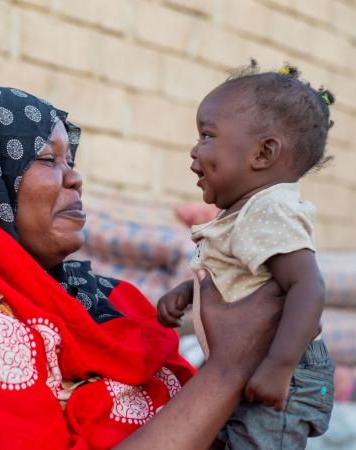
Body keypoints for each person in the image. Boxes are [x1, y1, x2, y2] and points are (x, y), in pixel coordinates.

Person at [0, 86, 284, 450]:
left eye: (70, 160)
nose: (75, 177)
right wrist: (227, 371)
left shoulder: (95, 301)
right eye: (46, 159)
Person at [157, 61, 335, 449]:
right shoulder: (244, 212)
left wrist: (279, 366)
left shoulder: (271, 208)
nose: (194, 150)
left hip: (285, 370)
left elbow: (307, 287)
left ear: (263, 153)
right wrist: (189, 292)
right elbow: (246, 279)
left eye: (207, 135)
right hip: (251, 362)